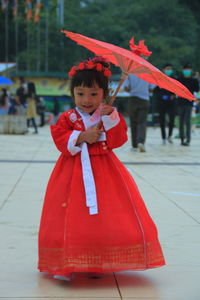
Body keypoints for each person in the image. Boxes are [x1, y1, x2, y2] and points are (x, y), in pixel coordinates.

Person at [38, 56, 165, 281]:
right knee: (69, 214)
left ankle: (97, 261)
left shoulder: (108, 115)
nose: (87, 100)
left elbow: (117, 141)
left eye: (94, 94)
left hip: (104, 172)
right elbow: (59, 138)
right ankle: (65, 262)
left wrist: (111, 119)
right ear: (73, 93)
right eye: (80, 94)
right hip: (72, 171)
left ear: (104, 94)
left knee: (102, 217)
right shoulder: (68, 117)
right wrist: (80, 136)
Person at [124, 74, 155, 152]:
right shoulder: (148, 73)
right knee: (142, 122)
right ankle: (141, 142)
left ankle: (134, 145)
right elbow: (152, 89)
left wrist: (134, 89)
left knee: (133, 122)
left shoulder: (130, 73)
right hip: (144, 99)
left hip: (133, 99)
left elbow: (126, 88)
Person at [177, 64, 199, 146]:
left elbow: (197, 89)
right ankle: (182, 138)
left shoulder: (194, 80)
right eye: (185, 69)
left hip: (189, 103)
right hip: (180, 102)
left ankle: (188, 139)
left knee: (187, 121)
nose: (187, 71)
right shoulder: (179, 79)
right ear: (183, 70)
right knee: (181, 121)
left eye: (188, 69)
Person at [154, 63, 176, 144]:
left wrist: (174, 95)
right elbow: (155, 91)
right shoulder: (159, 79)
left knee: (172, 120)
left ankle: (169, 136)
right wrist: (162, 96)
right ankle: (163, 137)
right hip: (162, 103)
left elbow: (177, 90)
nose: (169, 70)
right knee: (162, 120)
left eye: (170, 69)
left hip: (171, 103)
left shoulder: (174, 79)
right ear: (163, 69)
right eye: (167, 69)